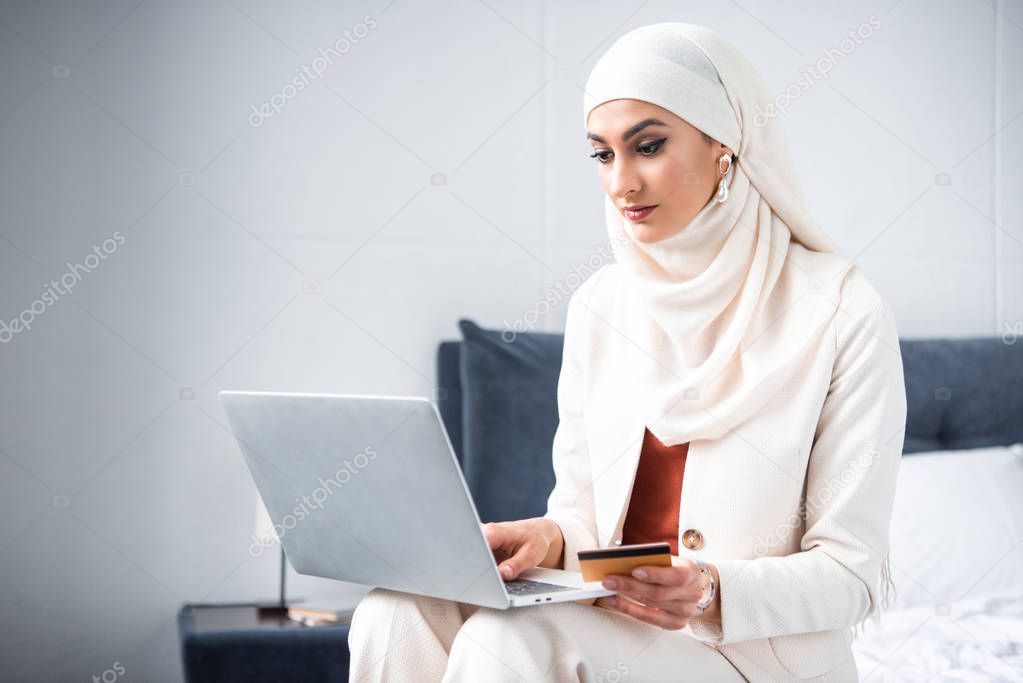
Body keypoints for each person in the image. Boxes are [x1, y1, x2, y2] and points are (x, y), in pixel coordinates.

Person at [347, 21, 907, 683]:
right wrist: (549, 538)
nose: (621, 182)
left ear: (723, 143)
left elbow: (851, 573)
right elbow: (584, 515)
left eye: (646, 146)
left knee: (512, 642)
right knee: (394, 611)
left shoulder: (842, 310)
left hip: (753, 659)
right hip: (611, 620)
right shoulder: (599, 305)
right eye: (602, 154)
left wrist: (708, 588)